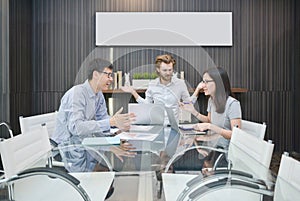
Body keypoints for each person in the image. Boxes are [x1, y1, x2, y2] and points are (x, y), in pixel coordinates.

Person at [51, 58, 136, 172]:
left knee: (112, 171)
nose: (111, 79)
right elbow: (77, 128)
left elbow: (103, 119)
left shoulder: (98, 94)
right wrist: (111, 122)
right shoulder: (77, 93)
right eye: (108, 75)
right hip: (68, 151)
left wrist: (116, 126)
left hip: (85, 146)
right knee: (110, 173)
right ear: (96, 74)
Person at [180, 67, 242, 169]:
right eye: (203, 82)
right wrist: (194, 112)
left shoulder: (233, 104)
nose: (203, 85)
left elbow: (236, 135)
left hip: (225, 153)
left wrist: (209, 126)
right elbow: (210, 120)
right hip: (213, 147)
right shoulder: (211, 101)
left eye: (207, 82)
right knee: (183, 159)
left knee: (185, 164)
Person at [121, 54, 196, 123]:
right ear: (158, 69)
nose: (168, 73)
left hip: (174, 126)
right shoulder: (152, 85)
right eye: (165, 70)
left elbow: (189, 103)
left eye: (170, 70)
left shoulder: (180, 84)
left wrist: (196, 91)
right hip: (157, 125)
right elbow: (147, 105)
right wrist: (133, 92)